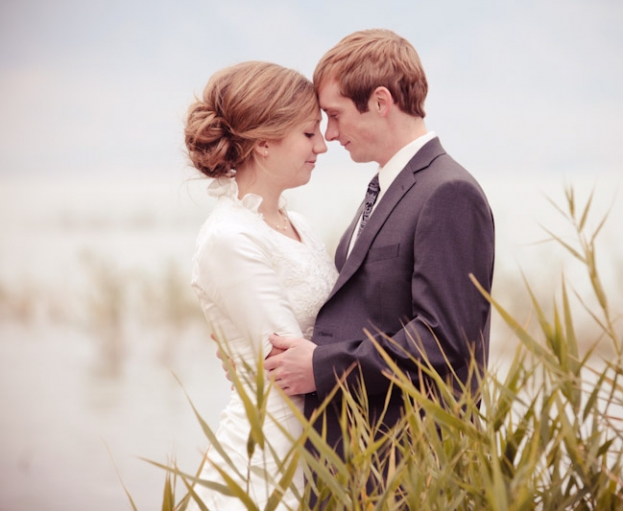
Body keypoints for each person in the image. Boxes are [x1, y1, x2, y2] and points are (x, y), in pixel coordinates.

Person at [263, 29, 495, 472]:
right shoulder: (387, 187)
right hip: (360, 456)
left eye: (335, 115)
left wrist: (322, 367)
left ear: (381, 101)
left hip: (411, 463)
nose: (329, 135)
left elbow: (443, 340)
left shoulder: (448, 192)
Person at [184, 61, 337, 510]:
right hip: (267, 457)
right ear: (265, 143)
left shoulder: (301, 225)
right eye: (309, 134)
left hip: (317, 445)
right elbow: (289, 361)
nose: (323, 145)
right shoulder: (229, 238)